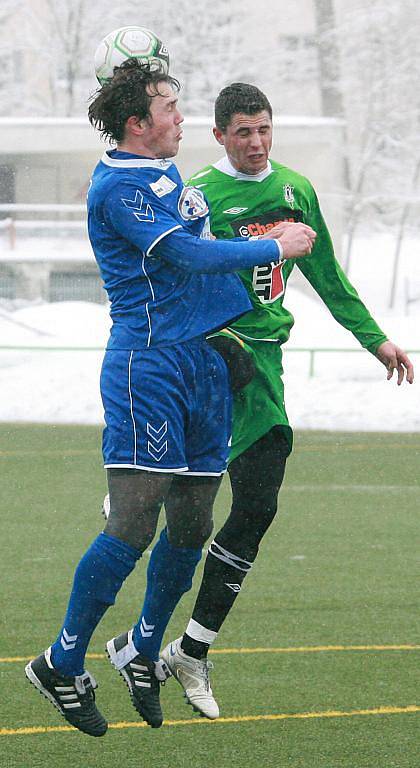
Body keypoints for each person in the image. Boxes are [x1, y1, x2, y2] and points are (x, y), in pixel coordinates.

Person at [24, 64, 316, 737]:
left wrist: (246, 288)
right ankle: (61, 662)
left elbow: (197, 264)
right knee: (132, 524)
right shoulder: (118, 188)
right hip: (147, 368)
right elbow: (183, 255)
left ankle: (143, 649)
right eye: (170, 108)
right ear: (137, 123)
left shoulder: (165, 175)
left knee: (191, 525)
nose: (181, 118)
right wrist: (271, 246)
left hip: (202, 363)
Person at [158, 83, 414, 717]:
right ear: (219, 135)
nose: (255, 142)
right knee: (193, 485)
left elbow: (326, 272)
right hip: (216, 353)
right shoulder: (199, 196)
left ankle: (191, 648)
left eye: (264, 129)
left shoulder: (296, 190)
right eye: (242, 131)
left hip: (266, 365)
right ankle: (145, 468)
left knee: (258, 507)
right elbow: (175, 275)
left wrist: (375, 339)